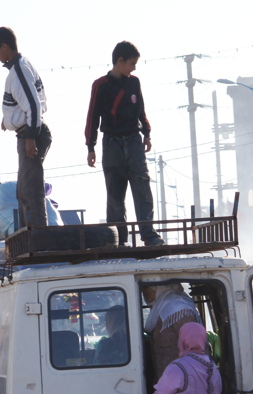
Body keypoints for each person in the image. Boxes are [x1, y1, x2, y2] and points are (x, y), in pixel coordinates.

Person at [85, 41, 164, 247]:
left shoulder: (134, 83)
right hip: (111, 143)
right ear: (120, 61)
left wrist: (146, 133)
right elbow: (92, 116)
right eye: (132, 63)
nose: (134, 68)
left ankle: (149, 234)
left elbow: (141, 110)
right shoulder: (100, 85)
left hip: (133, 139)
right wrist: (90, 147)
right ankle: (118, 239)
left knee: (142, 188)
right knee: (115, 192)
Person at [0, 26, 51, 230]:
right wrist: (8, 119)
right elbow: (21, 104)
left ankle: (38, 236)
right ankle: (32, 231)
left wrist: (31, 137)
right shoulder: (20, 68)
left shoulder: (19, 71)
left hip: (31, 133)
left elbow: (33, 105)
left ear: (5, 47)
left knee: (30, 189)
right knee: (24, 189)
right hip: (26, 131)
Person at [143, 284, 200, 380]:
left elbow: (194, 348)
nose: (143, 293)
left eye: (147, 288)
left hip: (183, 381)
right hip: (168, 382)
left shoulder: (179, 309)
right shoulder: (161, 308)